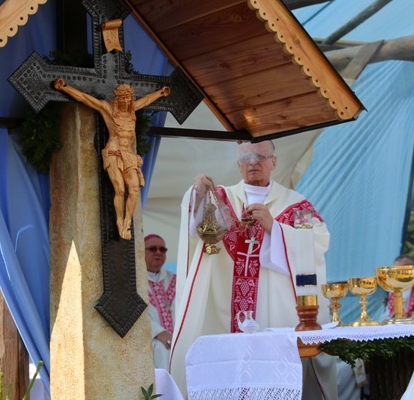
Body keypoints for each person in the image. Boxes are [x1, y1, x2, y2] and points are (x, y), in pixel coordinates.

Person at [170, 140, 336, 399]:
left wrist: (275, 228)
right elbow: (198, 234)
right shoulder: (221, 199)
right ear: (238, 165)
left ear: (273, 162)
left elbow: (317, 240)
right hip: (224, 307)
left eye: (260, 157)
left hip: (275, 310)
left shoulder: (296, 205)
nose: (253, 163)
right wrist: (198, 196)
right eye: (246, 159)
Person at [53, 78, 170, 240]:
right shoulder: (107, 108)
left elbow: (147, 100)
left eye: (128, 98)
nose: (126, 101)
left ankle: (127, 222)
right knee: (120, 189)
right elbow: (85, 98)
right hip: (113, 153)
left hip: (128, 155)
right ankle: (119, 222)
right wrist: (65, 88)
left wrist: (160, 93)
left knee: (134, 189)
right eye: (122, 98)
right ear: (117, 97)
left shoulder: (132, 110)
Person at [144, 234, 176, 370]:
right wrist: (158, 332)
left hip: (177, 337)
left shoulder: (176, 279)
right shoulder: (134, 281)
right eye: (152, 249)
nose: (158, 252)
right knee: (161, 350)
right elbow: (135, 314)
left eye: (162, 250)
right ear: (141, 252)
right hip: (152, 339)